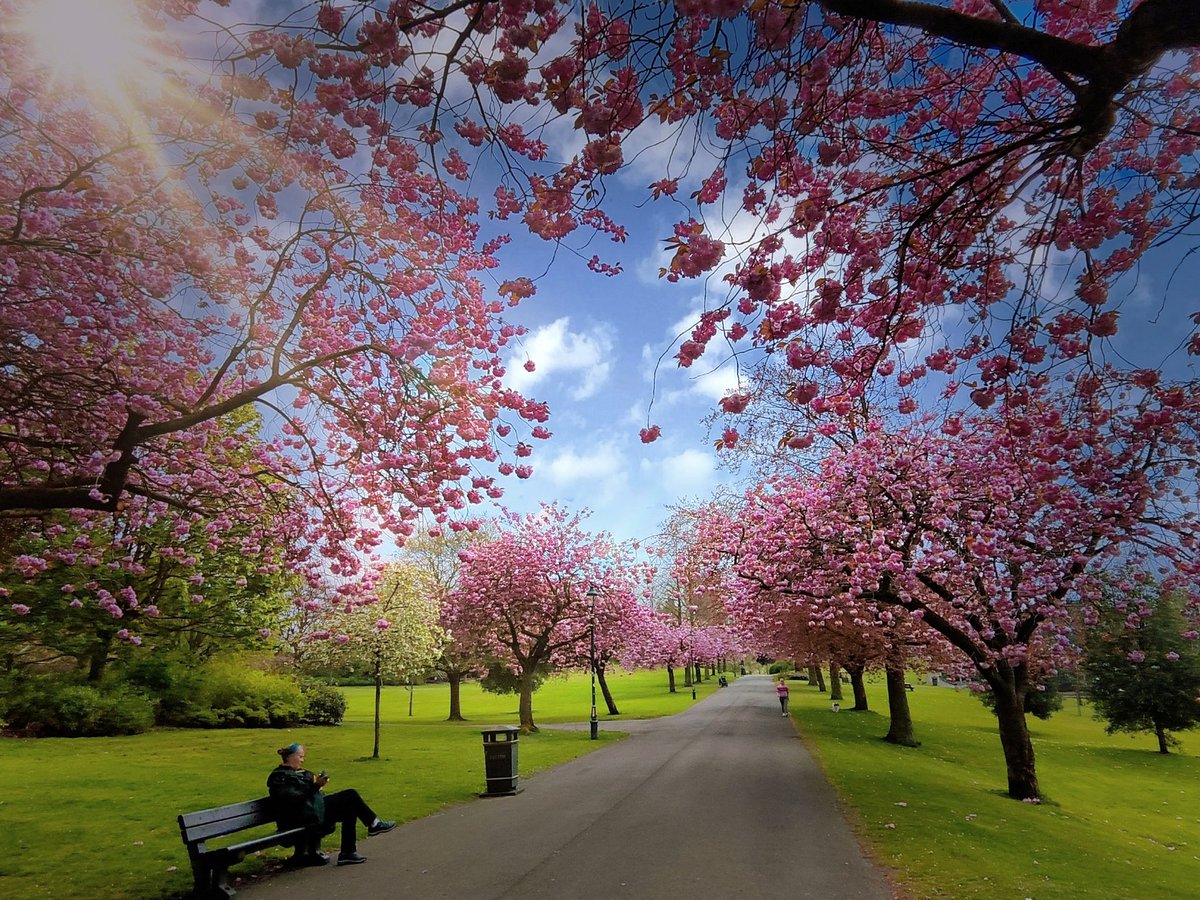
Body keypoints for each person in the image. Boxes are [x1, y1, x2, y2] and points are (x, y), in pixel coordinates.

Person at [267, 743, 396, 867]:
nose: (302, 760)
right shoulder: (279, 777)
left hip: (311, 813)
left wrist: (317, 784)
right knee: (350, 795)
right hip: (297, 818)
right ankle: (373, 824)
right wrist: (316, 786)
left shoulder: (302, 773)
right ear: (290, 757)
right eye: (300, 756)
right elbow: (294, 799)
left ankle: (348, 852)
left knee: (349, 807)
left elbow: (312, 795)